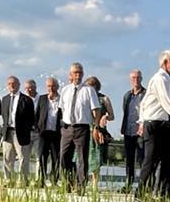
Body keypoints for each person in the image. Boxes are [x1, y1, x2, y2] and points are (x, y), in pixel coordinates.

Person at [138, 50, 170, 199]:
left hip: (164, 123)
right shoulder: (161, 78)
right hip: (154, 123)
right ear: (165, 62)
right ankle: (140, 192)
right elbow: (166, 102)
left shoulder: (169, 78)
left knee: (168, 158)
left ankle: (165, 192)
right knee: (150, 159)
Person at [58, 62, 103, 191]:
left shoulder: (89, 90)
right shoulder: (66, 90)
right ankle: (67, 183)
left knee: (82, 158)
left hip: (82, 128)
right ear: (70, 74)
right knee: (64, 156)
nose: (78, 75)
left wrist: (96, 126)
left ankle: (80, 186)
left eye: (80, 73)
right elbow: (62, 109)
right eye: (75, 73)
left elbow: (96, 109)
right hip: (67, 128)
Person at [0, 75, 35, 183]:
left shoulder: (26, 100)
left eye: (14, 83)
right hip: (8, 132)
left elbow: (31, 118)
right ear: (7, 86)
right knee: (7, 157)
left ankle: (23, 181)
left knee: (23, 158)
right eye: (9, 84)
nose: (12, 85)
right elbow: (3, 115)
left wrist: (25, 129)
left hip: (21, 132)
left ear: (19, 85)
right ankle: (8, 180)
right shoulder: (5, 99)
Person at [85, 76, 115, 180]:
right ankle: (81, 182)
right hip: (84, 130)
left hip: (98, 131)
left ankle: (95, 185)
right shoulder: (84, 98)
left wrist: (105, 116)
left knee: (96, 157)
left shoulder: (104, 99)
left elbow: (112, 116)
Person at [121, 69, 145, 191]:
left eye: (138, 77)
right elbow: (124, 112)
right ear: (130, 80)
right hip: (128, 131)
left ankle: (143, 185)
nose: (136, 80)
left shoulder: (146, 94)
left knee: (142, 159)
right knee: (129, 160)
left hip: (141, 132)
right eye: (133, 78)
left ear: (141, 79)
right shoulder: (127, 96)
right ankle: (128, 184)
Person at [35, 76, 62, 185]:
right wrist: (38, 128)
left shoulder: (62, 99)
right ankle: (41, 180)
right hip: (44, 133)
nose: (50, 88)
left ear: (57, 86)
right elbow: (36, 115)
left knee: (56, 157)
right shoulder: (42, 99)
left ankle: (54, 180)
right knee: (42, 156)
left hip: (56, 133)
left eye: (53, 86)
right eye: (48, 86)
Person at [24, 78, 40, 179]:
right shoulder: (23, 99)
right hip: (26, 132)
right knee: (25, 156)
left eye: (31, 88)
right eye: (27, 88)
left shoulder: (42, 98)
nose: (29, 90)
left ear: (35, 87)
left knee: (39, 156)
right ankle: (25, 178)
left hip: (38, 132)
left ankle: (39, 178)